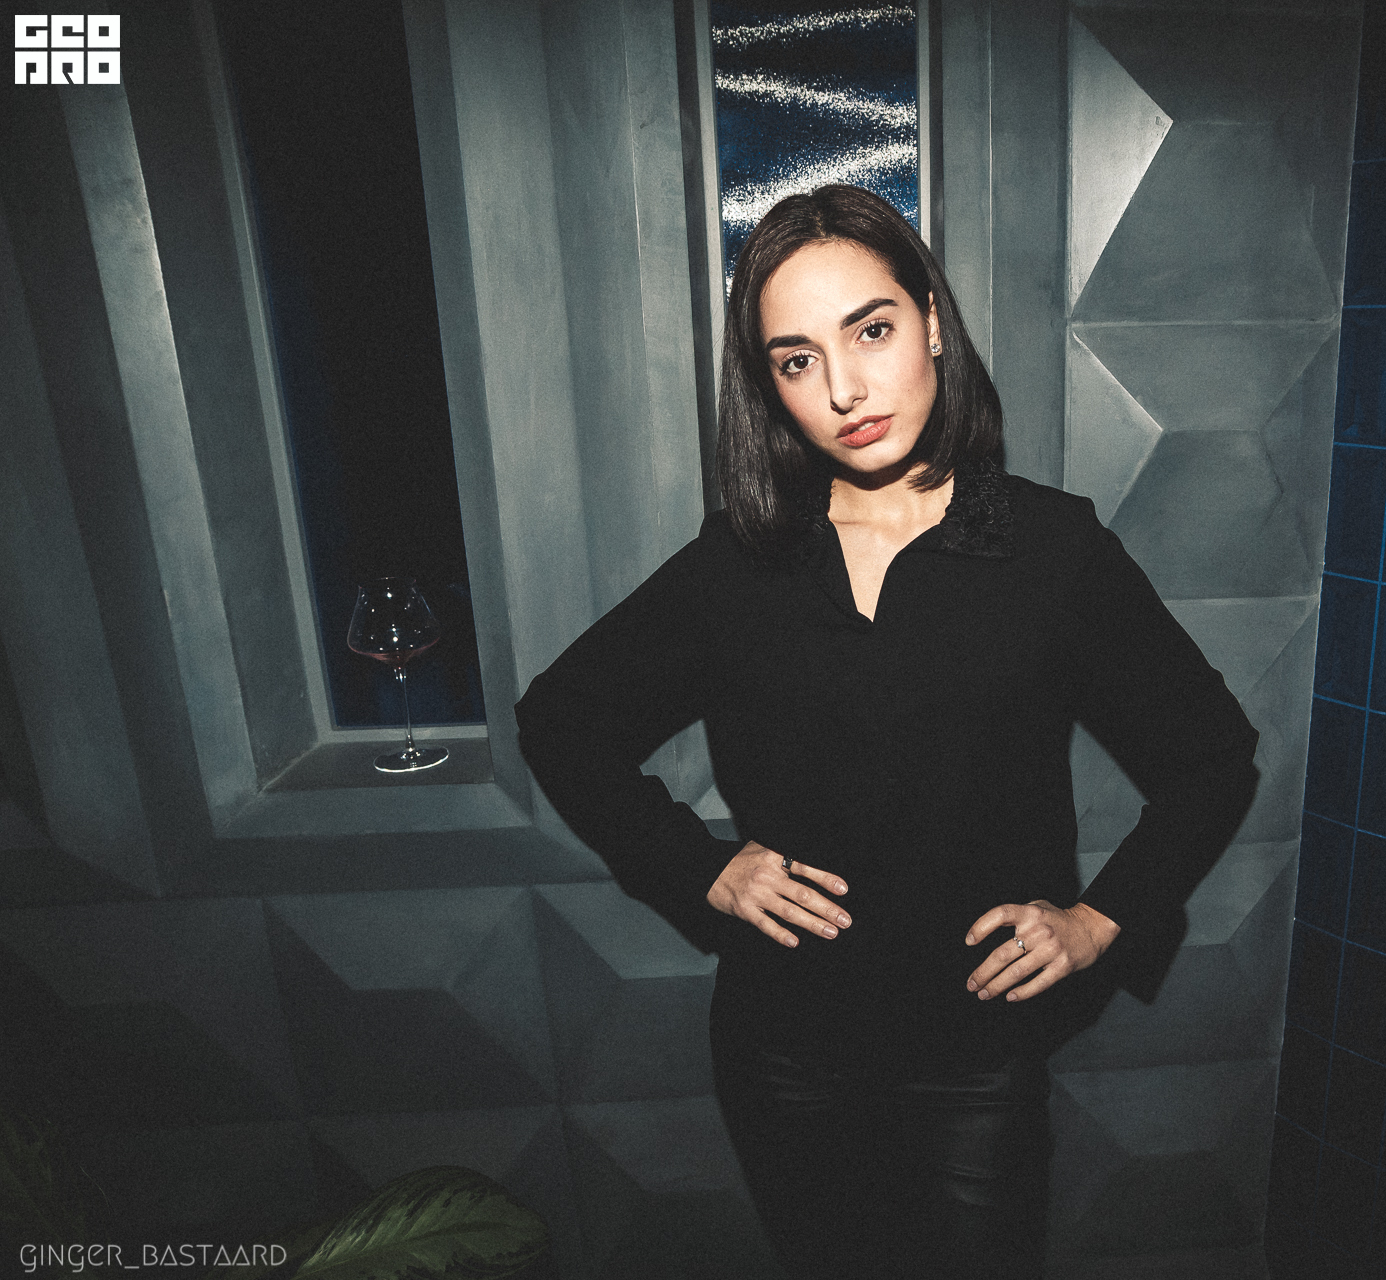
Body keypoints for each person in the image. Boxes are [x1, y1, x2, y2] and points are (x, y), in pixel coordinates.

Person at [513, 184, 1258, 1279]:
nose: (845, 388)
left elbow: (1211, 758)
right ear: (769, 386)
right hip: (784, 1054)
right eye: (797, 359)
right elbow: (561, 717)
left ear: (933, 323)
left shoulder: (1049, 550)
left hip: (975, 1057)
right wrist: (697, 866)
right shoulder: (744, 559)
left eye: (871, 330)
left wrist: (1100, 922)